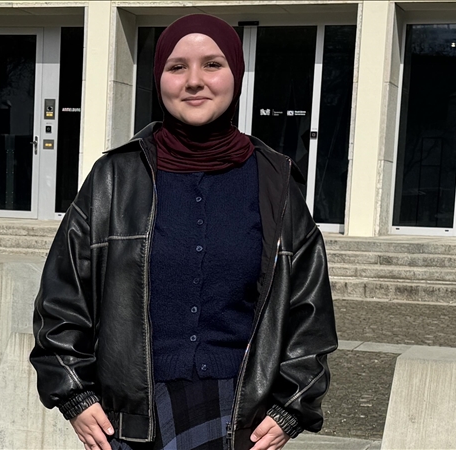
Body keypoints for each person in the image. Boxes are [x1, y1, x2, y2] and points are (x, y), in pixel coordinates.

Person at [30, 14, 337, 450]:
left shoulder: (275, 181)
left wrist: (293, 405)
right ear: (159, 79)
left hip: (241, 419)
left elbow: (310, 309)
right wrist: (74, 393)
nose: (194, 81)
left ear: (236, 74)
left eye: (212, 64)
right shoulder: (114, 177)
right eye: (177, 67)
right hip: (130, 420)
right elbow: (62, 298)